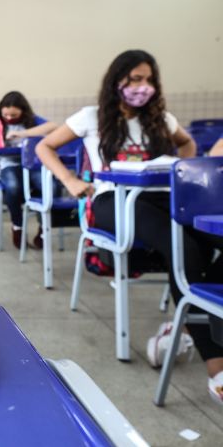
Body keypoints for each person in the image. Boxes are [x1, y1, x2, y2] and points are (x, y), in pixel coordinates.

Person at [36, 49, 223, 404]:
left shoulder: (161, 119)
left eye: (149, 80)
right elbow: (46, 146)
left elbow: (187, 143)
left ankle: (185, 321)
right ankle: (217, 366)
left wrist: (179, 172)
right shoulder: (92, 117)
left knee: (207, 242)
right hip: (112, 201)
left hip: (158, 197)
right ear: (117, 80)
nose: (143, 87)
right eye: (135, 79)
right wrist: (71, 180)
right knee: (180, 246)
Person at [0, 91, 58, 249]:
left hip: (33, 165)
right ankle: (17, 226)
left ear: (23, 111)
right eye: (6, 115)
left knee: (50, 186)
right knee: (13, 186)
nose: (9, 118)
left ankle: (43, 229)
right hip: (8, 164)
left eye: (14, 115)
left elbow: (53, 127)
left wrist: (23, 133)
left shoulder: (31, 121)